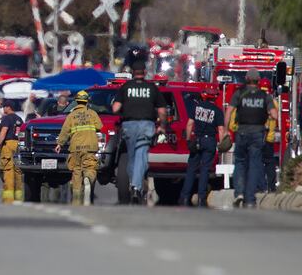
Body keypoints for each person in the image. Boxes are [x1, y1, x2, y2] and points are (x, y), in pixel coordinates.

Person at [112, 60, 167, 205]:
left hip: (129, 125)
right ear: (144, 72)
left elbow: (115, 108)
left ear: (132, 72)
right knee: (141, 156)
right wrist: (162, 125)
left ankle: (134, 185)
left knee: (132, 157)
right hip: (146, 125)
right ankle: (136, 186)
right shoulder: (152, 88)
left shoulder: (126, 87)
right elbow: (162, 111)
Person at [225, 68, 277, 208]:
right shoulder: (265, 96)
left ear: (246, 79)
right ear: (258, 81)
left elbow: (229, 111)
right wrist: (268, 115)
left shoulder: (239, 93)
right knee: (255, 165)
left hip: (242, 132)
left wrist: (225, 130)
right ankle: (250, 198)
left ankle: (239, 193)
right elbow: (275, 115)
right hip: (258, 133)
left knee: (240, 163)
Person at [54, 90, 102, 206]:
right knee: (90, 168)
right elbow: (99, 126)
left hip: (75, 147)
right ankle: (88, 178)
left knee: (76, 171)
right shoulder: (92, 113)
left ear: (76, 101)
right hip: (90, 147)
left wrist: (59, 144)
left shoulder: (71, 116)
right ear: (87, 101)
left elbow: (65, 131)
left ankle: (76, 198)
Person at [179, 87, 224, 207]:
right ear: (215, 97)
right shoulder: (217, 111)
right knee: (205, 170)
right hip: (210, 140)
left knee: (191, 169)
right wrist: (221, 145)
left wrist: (188, 140)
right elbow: (220, 129)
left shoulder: (196, 107)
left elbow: (189, 124)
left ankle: (184, 197)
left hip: (197, 139)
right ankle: (201, 198)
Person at [0, 101, 24, 204]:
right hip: (18, 145)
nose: (3, 109)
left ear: (8, 107)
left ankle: (8, 198)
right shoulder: (19, 119)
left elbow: (4, 131)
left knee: (8, 171)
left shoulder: (7, 118)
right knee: (18, 171)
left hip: (9, 144)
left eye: (4, 107)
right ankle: (19, 196)